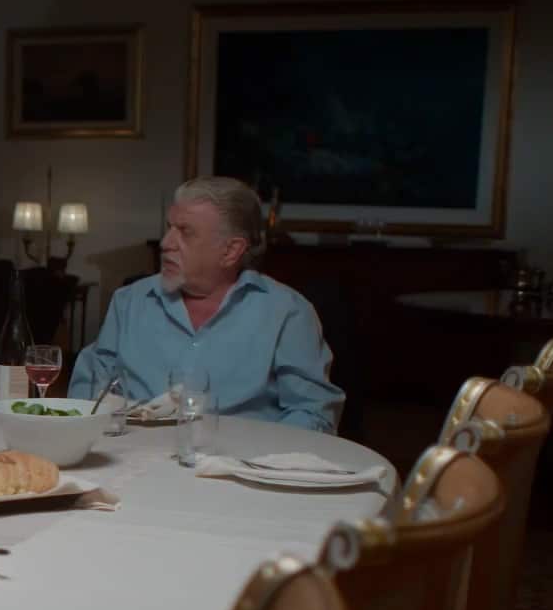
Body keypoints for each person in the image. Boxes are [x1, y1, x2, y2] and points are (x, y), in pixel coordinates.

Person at [67, 176, 345, 433]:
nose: (166, 243)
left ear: (231, 251)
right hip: (134, 457)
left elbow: (313, 412)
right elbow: (88, 392)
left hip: (241, 462)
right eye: (169, 228)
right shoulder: (129, 301)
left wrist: (259, 457)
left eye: (185, 232)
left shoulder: (287, 312)